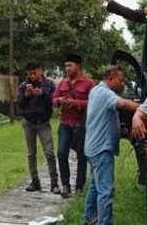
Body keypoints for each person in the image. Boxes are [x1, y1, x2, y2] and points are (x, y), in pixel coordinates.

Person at [83, 65, 140, 225]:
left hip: (92, 147)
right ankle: (104, 222)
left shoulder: (95, 90)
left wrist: (120, 129)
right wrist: (144, 109)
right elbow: (122, 104)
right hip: (101, 149)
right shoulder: (105, 93)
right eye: (120, 80)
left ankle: (89, 219)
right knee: (106, 191)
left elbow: (104, 115)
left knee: (96, 186)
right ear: (110, 78)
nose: (123, 84)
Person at [52, 53, 96, 198]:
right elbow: (53, 99)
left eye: (70, 65)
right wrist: (59, 100)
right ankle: (65, 185)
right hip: (65, 123)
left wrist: (74, 103)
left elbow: (94, 103)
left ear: (78, 66)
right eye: (65, 66)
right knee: (62, 152)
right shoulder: (62, 83)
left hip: (81, 125)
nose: (67, 68)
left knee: (81, 155)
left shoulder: (89, 83)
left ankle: (79, 185)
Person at [18, 62, 60, 194]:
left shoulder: (49, 84)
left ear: (40, 71)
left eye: (34, 73)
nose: (32, 76)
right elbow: (20, 104)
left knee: (49, 152)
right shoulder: (24, 85)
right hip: (28, 122)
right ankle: (35, 181)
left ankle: (54, 183)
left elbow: (53, 101)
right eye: (29, 74)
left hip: (43, 122)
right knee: (31, 153)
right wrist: (26, 95)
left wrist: (42, 94)